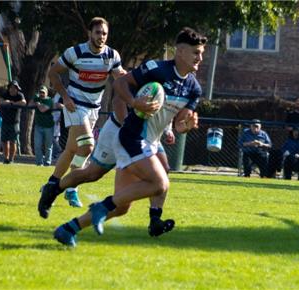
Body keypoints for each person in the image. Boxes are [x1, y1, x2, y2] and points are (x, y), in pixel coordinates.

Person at [48, 27, 206, 246]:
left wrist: (187, 126)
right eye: (196, 53)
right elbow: (121, 84)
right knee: (159, 183)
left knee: (122, 206)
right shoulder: (156, 69)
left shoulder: (194, 88)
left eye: (201, 53)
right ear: (179, 52)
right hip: (131, 136)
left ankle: (68, 228)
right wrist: (134, 103)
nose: (200, 58)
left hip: (149, 142)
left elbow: (179, 124)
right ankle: (66, 193)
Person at [39, 92, 177, 238]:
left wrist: (173, 128)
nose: (196, 68)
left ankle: (155, 218)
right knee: (92, 173)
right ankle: (54, 188)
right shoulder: (150, 72)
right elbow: (118, 96)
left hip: (146, 137)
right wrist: (128, 125)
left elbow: (169, 111)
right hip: (119, 130)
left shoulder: (185, 85)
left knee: (159, 173)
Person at [40, 17, 126, 206]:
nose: (101, 36)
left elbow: (121, 77)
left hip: (94, 108)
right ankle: (71, 188)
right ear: (89, 33)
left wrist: (140, 81)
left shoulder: (112, 56)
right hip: (75, 104)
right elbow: (53, 73)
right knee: (87, 146)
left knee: (71, 150)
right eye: (97, 32)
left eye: (104, 33)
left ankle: (52, 184)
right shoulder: (75, 52)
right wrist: (65, 96)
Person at [29, 85, 62, 166]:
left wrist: (37, 103)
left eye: (43, 93)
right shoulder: (37, 99)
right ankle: (39, 162)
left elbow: (42, 109)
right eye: (40, 92)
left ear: (46, 93)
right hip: (38, 126)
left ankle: (47, 162)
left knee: (48, 146)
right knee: (37, 145)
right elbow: (29, 105)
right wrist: (35, 99)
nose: (41, 94)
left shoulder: (49, 100)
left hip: (48, 126)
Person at [0, 80, 26, 164]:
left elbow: (24, 102)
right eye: (12, 88)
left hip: (15, 122)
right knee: (4, 141)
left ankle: (11, 159)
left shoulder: (20, 95)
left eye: (15, 88)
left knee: (13, 141)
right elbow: (0, 101)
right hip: (5, 121)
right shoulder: (5, 94)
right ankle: (5, 158)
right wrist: (5, 102)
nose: (13, 89)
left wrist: (13, 103)